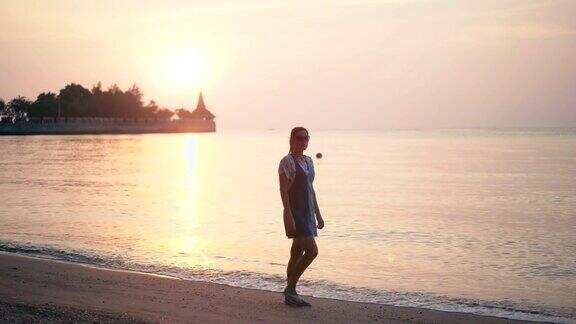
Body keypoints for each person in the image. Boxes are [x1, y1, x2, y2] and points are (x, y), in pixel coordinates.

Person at [278, 126, 324, 307]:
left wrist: (318, 214)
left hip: (308, 212)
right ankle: (290, 289)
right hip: (295, 212)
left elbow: (311, 189)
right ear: (292, 140)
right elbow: (283, 190)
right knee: (312, 251)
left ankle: (291, 293)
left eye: (306, 138)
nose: (303, 141)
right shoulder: (286, 161)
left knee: (296, 252)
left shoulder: (309, 161)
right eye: (299, 138)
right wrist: (288, 213)